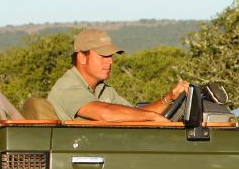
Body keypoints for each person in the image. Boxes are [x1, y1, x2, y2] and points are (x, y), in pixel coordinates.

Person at [47, 29, 188, 121]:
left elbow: (133, 114)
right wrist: (151, 117)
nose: (110, 61)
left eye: (110, 56)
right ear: (82, 58)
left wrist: (170, 97)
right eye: (103, 55)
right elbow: (104, 113)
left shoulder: (103, 89)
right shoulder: (67, 86)